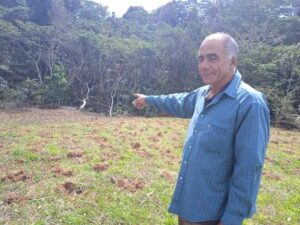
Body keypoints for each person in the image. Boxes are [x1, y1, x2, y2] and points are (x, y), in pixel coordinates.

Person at [132, 32, 270, 225]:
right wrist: (148, 99)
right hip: (188, 205)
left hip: (213, 215)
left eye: (212, 58)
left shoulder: (249, 103)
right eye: (201, 59)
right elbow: (178, 101)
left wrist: (232, 220)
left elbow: (248, 170)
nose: (204, 65)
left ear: (232, 61)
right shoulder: (203, 93)